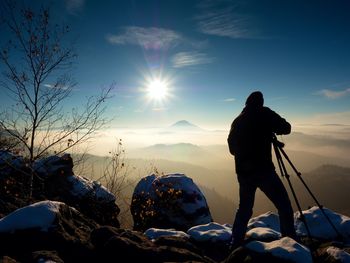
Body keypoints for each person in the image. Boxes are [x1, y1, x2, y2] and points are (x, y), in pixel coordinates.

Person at [227, 91, 297, 249]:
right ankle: (290, 243)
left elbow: (232, 149)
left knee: (244, 208)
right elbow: (286, 128)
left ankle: (235, 242)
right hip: (263, 171)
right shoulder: (265, 113)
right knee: (284, 205)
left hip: (244, 173)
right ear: (261, 102)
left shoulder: (237, 121)